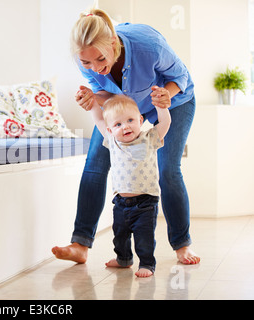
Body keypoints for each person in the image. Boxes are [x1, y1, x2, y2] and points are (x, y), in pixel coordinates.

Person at [52, 7, 200, 265]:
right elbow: (103, 92)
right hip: (124, 107)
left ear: (112, 42)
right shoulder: (85, 59)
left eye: (99, 59)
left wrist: (166, 96)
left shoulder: (148, 45)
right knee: (95, 163)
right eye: (86, 63)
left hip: (172, 100)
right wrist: (91, 97)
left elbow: (181, 77)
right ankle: (80, 244)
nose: (95, 68)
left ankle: (182, 245)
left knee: (168, 169)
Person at [90, 94, 170, 277]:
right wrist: (93, 104)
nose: (125, 126)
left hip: (145, 202)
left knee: (144, 238)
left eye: (130, 120)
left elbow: (165, 123)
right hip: (120, 202)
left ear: (140, 120)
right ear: (110, 130)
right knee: (120, 235)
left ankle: (147, 264)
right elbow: (98, 119)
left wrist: (161, 107)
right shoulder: (112, 141)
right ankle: (123, 259)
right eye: (118, 124)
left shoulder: (149, 138)